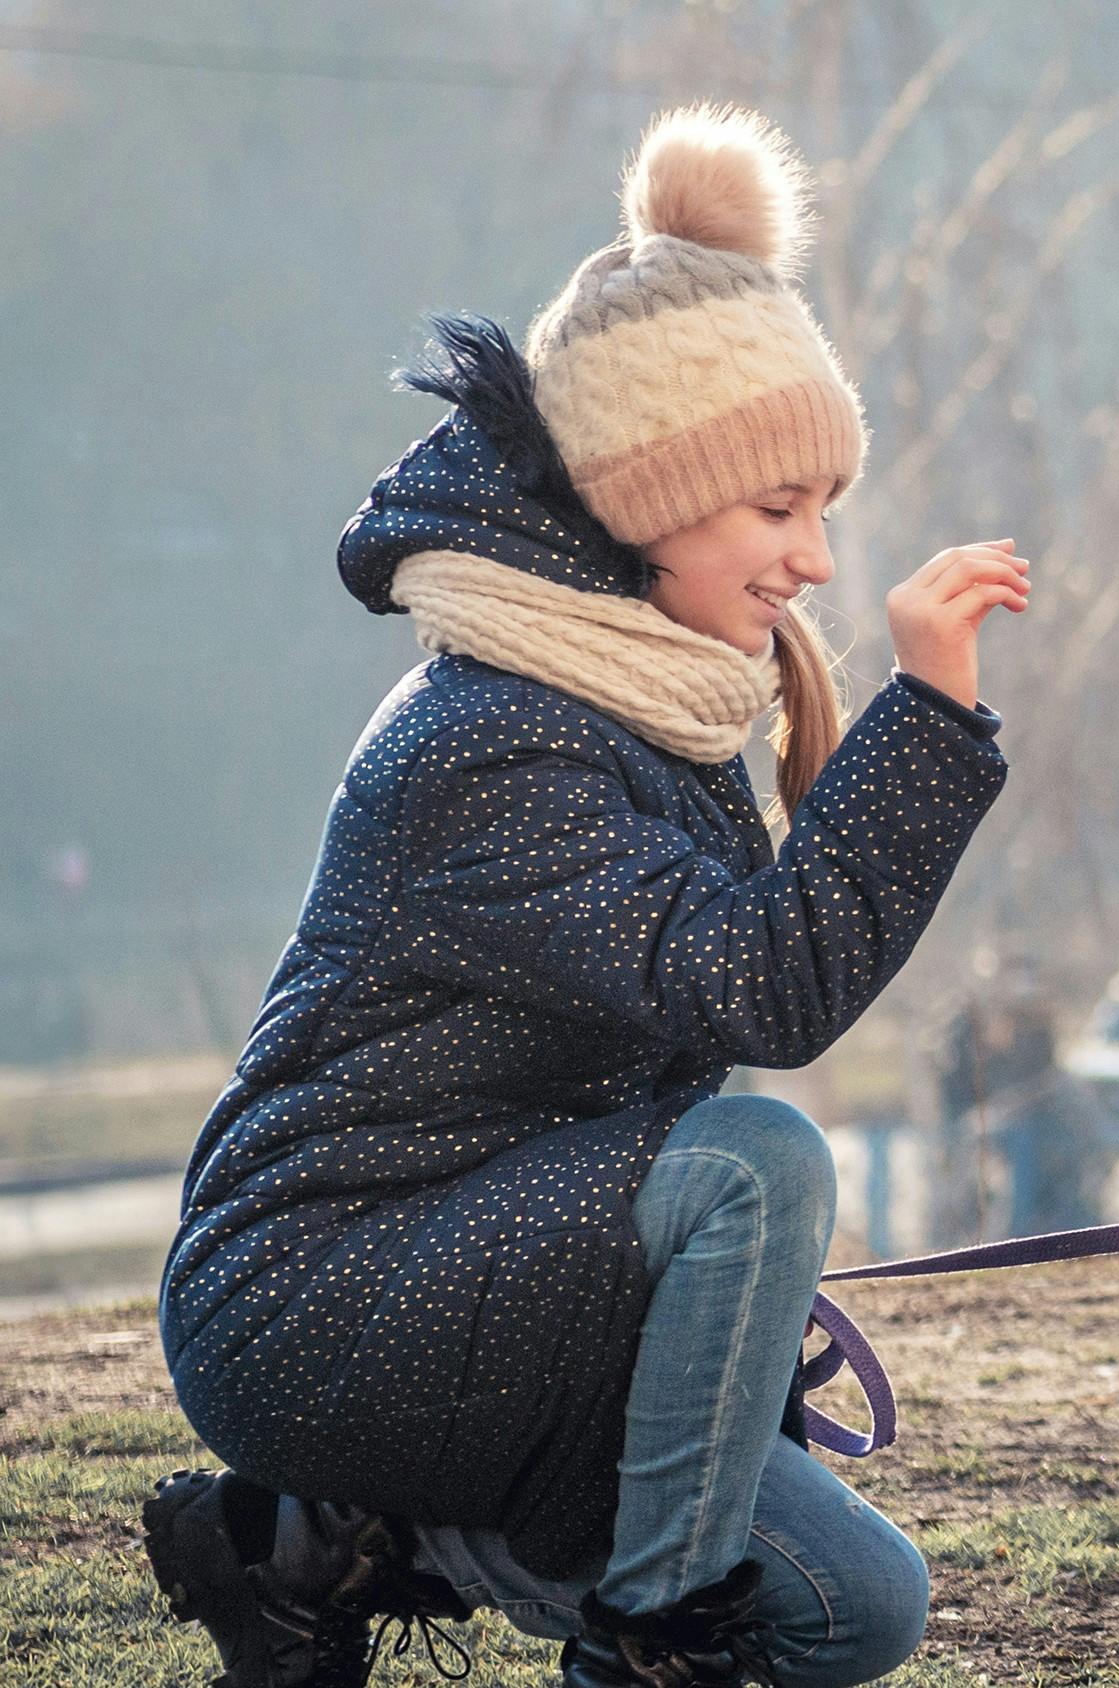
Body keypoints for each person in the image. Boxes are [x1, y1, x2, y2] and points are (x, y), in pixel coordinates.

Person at [144, 106, 1031, 1688]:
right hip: (323, 1292)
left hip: (518, 1287)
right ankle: (648, 1644)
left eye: (824, 507)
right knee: (758, 1162)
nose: (817, 561)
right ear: (649, 501)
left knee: (856, 1611)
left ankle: (328, 1540)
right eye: (779, 510)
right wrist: (934, 715)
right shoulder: (496, 743)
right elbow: (766, 994)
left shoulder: (652, 703)